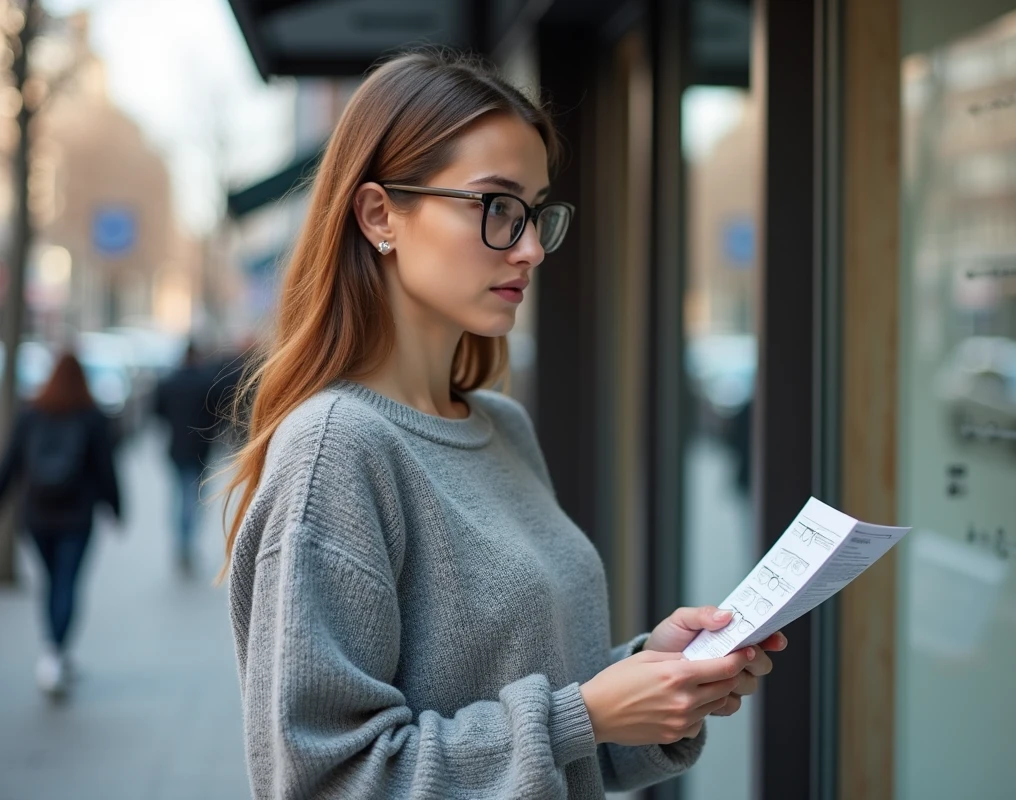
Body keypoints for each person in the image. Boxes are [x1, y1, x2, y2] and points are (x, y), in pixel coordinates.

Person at [222, 51, 786, 799]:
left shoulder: (502, 427)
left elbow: (555, 741)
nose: (530, 247)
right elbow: (329, 779)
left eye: (535, 211)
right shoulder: (337, 450)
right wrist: (583, 715)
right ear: (380, 214)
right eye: (495, 206)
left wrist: (653, 674)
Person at [0, 351, 121, 696]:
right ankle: (56, 653)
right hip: (76, 516)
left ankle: (53, 653)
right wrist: (116, 508)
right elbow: (105, 468)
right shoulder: (92, 417)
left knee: (51, 582)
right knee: (66, 583)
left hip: (36, 515)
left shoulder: (31, 414)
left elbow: (11, 463)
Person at [154, 341, 220, 574]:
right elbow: (216, 415)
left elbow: (158, 412)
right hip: (201, 450)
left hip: (176, 449)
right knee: (193, 498)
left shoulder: (169, 382)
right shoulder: (206, 383)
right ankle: (187, 543)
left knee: (181, 495)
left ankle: (183, 542)